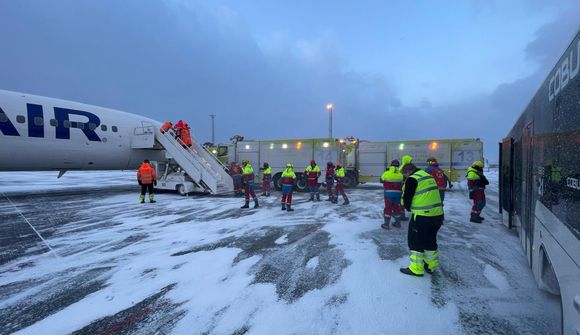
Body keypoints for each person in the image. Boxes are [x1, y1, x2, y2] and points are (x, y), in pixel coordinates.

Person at [399, 163, 444, 276]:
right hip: (437, 215)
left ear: (408, 171)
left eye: (404, 174)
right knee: (430, 240)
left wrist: (406, 205)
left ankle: (416, 268)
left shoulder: (412, 179)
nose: (405, 177)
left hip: (422, 216)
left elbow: (407, 200)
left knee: (415, 241)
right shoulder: (427, 176)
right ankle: (430, 266)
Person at [380, 160, 403, 229]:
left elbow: (381, 180)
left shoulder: (386, 173)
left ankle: (386, 224)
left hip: (388, 194)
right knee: (397, 208)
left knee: (388, 208)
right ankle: (398, 223)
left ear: (391, 166)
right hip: (398, 194)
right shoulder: (400, 175)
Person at [399, 155, 413, 221]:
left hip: (401, 185)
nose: (411, 161)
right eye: (410, 160)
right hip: (404, 185)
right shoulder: (406, 167)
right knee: (403, 201)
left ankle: (401, 215)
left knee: (402, 201)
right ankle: (402, 216)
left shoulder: (401, 166)